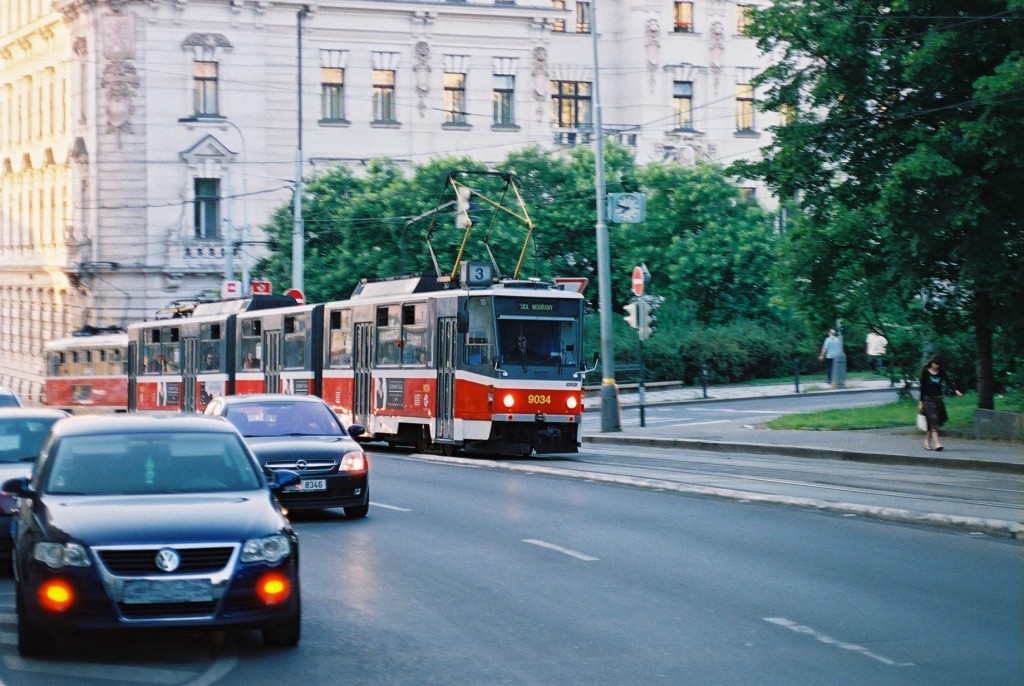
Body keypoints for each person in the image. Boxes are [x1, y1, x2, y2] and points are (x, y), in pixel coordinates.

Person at [918, 354, 963, 451]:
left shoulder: (941, 372)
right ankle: (937, 443)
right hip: (928, 400)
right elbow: (922, 388)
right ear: (931, 362)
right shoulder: (926, 372)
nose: (936, 366)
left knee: (933, 421)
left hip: (938, 400)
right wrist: (921, 402)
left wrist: (955, 391)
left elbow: (948, 382)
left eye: (938, 364)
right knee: (934, 421)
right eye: (935, 364)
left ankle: (926, 441)